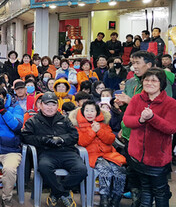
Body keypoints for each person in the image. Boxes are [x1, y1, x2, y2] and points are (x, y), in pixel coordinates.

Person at [21, 92, 87, 207]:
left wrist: (61, 139)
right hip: (47, 153)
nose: (50, 108)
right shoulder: (33, 121)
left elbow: (74, 136)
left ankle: (56, 193)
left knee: (81, 170)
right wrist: (44, 140)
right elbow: (26, 137)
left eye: (53, 105)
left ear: (57, 106)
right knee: (44, 167)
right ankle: (64, 193)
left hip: (67, 152)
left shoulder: (65, 119)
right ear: (40, 105)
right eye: (47, 104)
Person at [123, 68, 176, 207]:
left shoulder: (170, 103)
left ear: (161, 83)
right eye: (146, 80)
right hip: (137, 155)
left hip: (158, 158)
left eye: (154, 80)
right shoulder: (136, 99)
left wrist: (152, 117)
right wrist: (140, 119)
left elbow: (171, 128)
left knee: (160, 192)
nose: (149, 83)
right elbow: (127, 120)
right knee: (144, 189)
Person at [70, 100, 126, 207]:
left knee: (120, 170)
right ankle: (104, 199)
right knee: (106, 170)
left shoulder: (103, 124)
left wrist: (99, 130)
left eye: (92, 110)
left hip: (108, 154)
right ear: (82, 112)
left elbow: (110, 139)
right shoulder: (78, 126)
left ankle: (115, 199)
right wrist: (92, 131)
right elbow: (82, 142)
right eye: (87, 110)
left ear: (97, 112)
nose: (90, 113)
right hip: (92, 156)